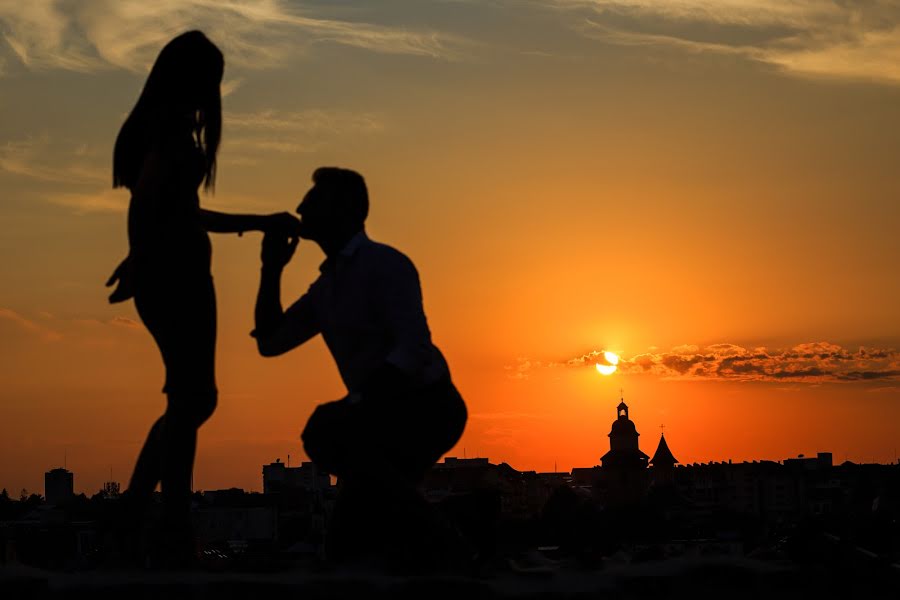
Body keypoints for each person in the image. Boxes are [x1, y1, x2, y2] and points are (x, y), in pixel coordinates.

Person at [105, 30, 299, 565]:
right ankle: (153, 519)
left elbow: (159, 209)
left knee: (188, 401)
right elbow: (163, 209)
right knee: (193, 400)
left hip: (176, 273)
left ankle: (155, 519)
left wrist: (137, 254)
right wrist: (142, 257)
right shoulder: (169, 133)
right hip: (177, 279)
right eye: (209, 78)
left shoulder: (161, 129)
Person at [253, 167, 467, 566]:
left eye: (312, 201)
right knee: (350, 538)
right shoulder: (326, 288)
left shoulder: (385, 264)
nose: (300, 208)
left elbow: (413, 348)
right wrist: (271, 268)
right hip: (378, 417)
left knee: (325, 431)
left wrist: (359, 403)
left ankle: (448, 543)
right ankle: (442, 544)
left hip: (426, 406)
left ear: (344, 210)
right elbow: (271, 341)